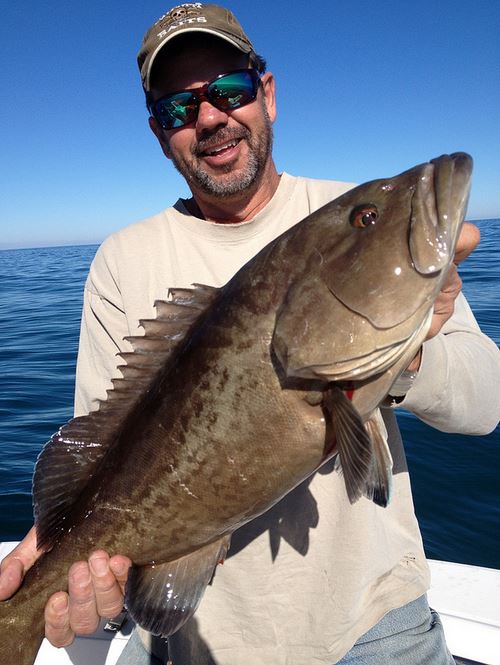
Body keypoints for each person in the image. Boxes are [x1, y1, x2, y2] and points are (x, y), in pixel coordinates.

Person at [1, 4, 499, 664]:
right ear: (159, 132)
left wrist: (403, 363)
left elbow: (486, 404)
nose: (210, 118)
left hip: (377, 626)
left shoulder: (347, 214)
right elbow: (100, 446)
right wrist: (56, 555)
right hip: (199, 645)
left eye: (229, 90)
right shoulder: (122, 261)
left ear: (267, 93)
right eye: (180, 108)